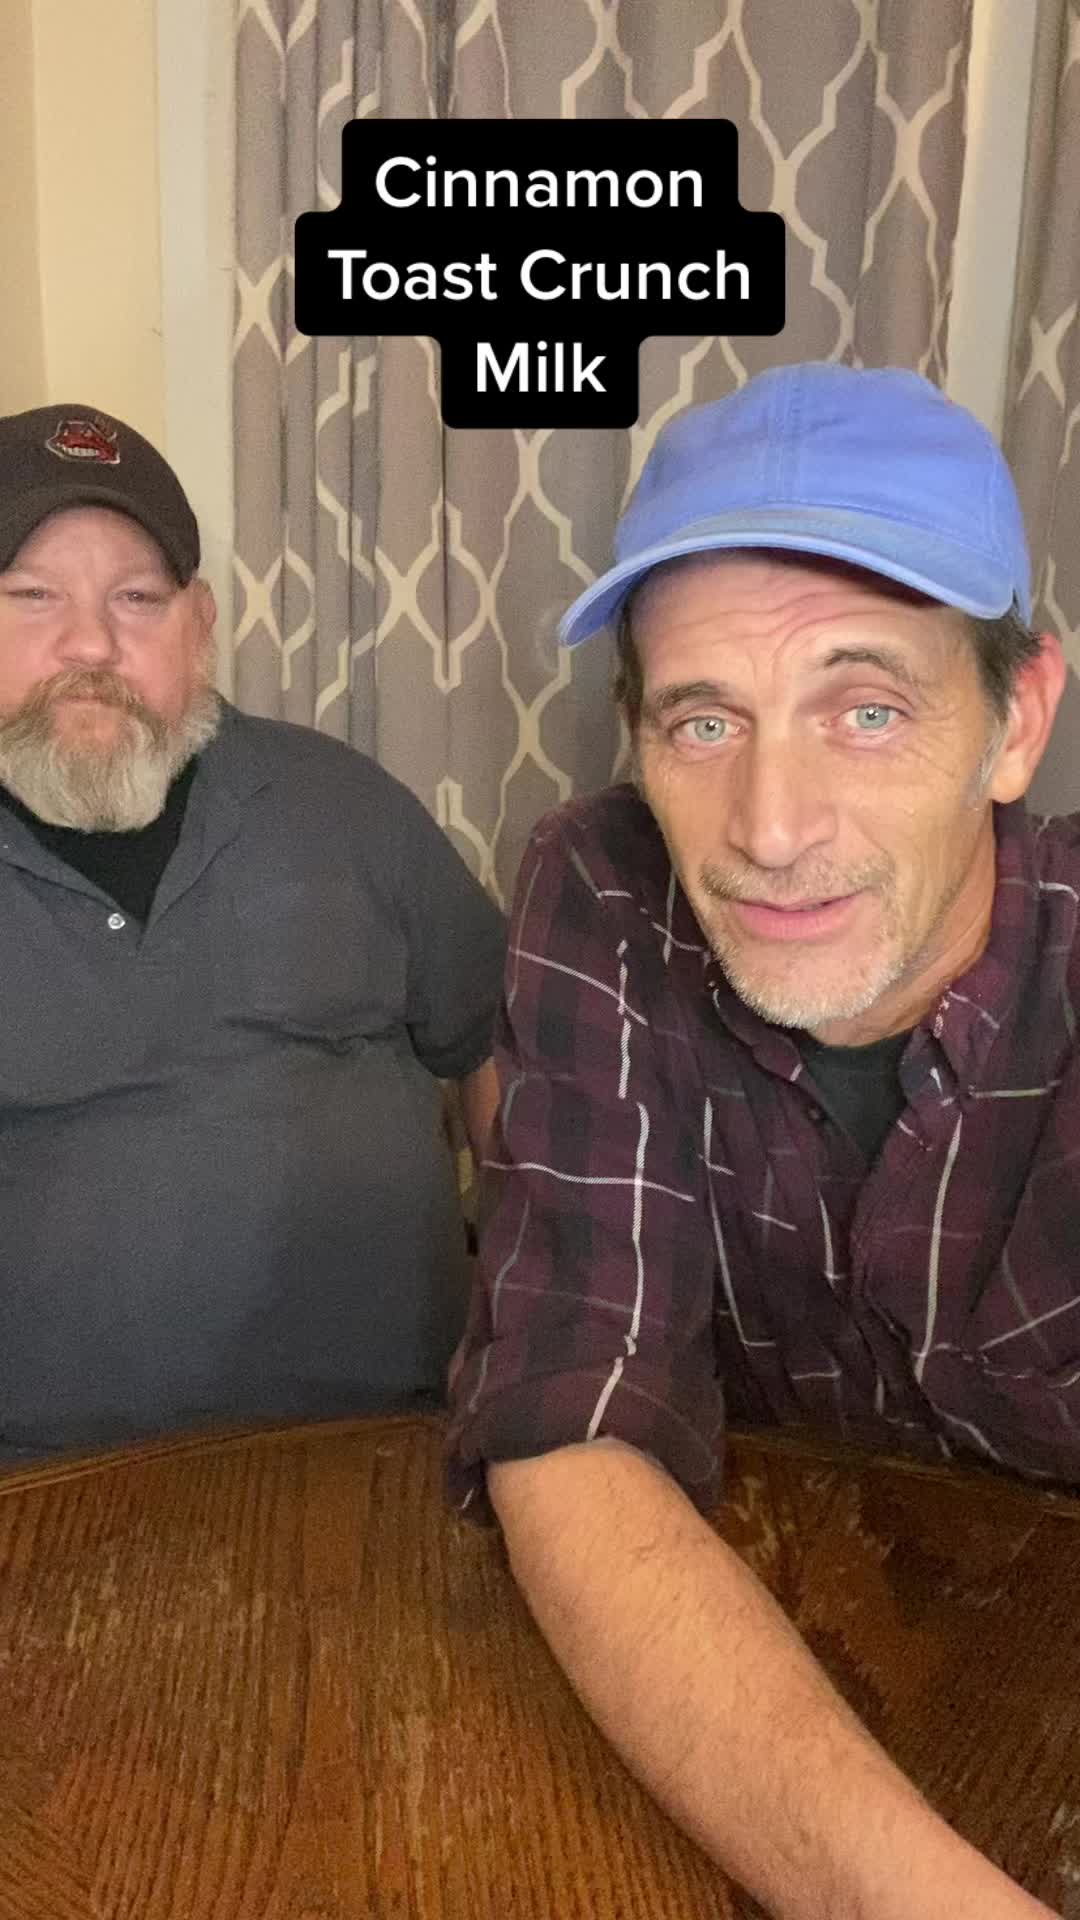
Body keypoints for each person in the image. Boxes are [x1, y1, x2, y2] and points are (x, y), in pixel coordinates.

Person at [447, 363, 1073, 1919]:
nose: (770, 827)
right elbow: (572, 1417)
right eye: (705, 719)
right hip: (773, 1658)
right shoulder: (604, 889)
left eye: (868, 711)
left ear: (1016, 723)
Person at [0, 403, 505, 1460]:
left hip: (385, 1449)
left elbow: (493, 1043)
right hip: (40, 1493)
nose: (90, 643)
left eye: (137, 598)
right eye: (30, 595)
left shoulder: (347, 807)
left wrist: (532, 1310)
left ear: (201, 625)